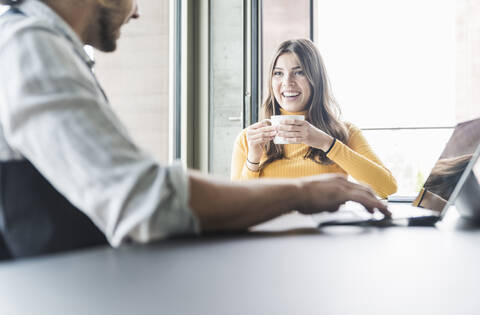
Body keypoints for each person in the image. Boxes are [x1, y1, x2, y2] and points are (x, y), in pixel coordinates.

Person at [0, 0, 389, 260]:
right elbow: (146, 202)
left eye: (299, 72)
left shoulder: (37, 45)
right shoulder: (29, 47)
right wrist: (303, 192)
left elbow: (385, 185)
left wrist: (328, 148)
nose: (136, 13)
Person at [231, 39, 397, 199]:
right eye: (278, 73)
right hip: (268, 228)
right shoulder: (249, 138)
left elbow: (386, 188)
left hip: (323, 227)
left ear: (315, 79)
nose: (287, 82)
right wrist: (253, 159)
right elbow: (236, 206)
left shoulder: (344, 133)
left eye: (299, 72)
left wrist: (326, 143)